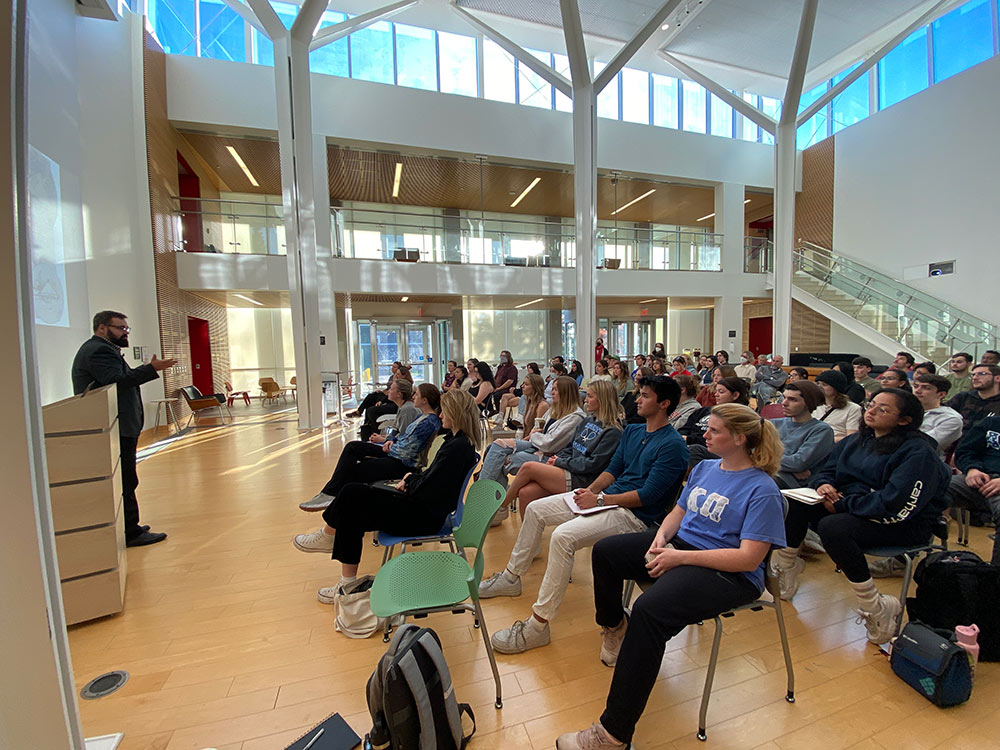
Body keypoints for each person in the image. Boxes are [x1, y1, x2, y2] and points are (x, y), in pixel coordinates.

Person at [555, 404, 785, 750]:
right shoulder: (706, 468)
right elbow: (679, 511)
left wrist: (679, 558)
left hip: (728, 573)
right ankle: (616, 628)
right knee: (606, 552)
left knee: (650, 611)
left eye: (715, 430)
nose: (705, 434)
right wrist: (661, 539)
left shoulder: (762, 489)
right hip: (682, 547)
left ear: (739, 439)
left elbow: (748, 558)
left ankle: (612, 735)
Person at [482, 376, 689, 655]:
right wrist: (588, 494)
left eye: (645, 396)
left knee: (562, 537)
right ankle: (510, 577)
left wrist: (600, 499)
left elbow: (649, 495)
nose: (637, 399)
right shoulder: (634, 431)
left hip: (635, 516)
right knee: (534, 509)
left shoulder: (673, 445)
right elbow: (612, 470)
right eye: (639, 393)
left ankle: (538, 625)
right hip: (607, 500)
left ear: (664, 404)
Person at [771, 389, 951, 644]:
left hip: (903, 522)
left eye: (883, 409)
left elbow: (896, 503)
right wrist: (824, 486)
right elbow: (826, 470)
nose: (872, 411)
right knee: (792, 502)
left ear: (904, 420)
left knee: (833, 527)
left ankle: (876, 607)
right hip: (850, 505)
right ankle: (787, 568)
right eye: (871, 404)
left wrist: (844, 504)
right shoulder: (857, 440)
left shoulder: (918, 453)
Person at [292, 389, 481, 604]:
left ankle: (331, 542)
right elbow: (433, 479)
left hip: (422, 516)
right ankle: (344, 577)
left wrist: (409, 481)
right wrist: (413, 478)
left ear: (456, 413)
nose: (440, 415)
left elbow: (432, 488)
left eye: (445, 412)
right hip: (422, 508)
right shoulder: (457, 443)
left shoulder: (456, 448)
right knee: (352, 502)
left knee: (352, 496)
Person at [71, 310, 175, 547]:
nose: (125, 332)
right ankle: (130, 531)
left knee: (127, 477)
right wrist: (151, 369)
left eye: (126, 329)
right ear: (102, 328)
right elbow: (117, 381)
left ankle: (129, 524)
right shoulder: (98, 350)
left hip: (118, 424)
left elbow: (120, 377)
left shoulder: (106, 350)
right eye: (120, 328)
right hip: (112, 424)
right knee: (126, 478)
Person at [300, 383, 441, 511]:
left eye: (417, 394)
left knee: (352, 470)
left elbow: (408, 450)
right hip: (396, 454)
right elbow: (404, 437)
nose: (414, 396)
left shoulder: (428, 422)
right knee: (352, 448)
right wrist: (391, 440)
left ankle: (331, 497)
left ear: (425, 400)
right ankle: (329, 494)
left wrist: (389, 446)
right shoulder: (422, 417)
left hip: (401, 462)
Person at [501, 380, 625, 515]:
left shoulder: (613, 432)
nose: (585, 400)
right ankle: (526, 535)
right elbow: (570, 447)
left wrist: (560, 462)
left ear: (602, 399)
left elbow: (593, 465)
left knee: (528, 467)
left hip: (583, 479)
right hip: (568, 468)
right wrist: (558, 459)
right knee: (526, 492)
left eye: (590, 396)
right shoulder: (588, 421)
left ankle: (501, 507)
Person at [479, 376, 585, 492]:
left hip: (549, 454)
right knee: (496, 445)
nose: (552, 392)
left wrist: (534, 435)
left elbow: (548, 442)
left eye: (555, 389)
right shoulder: (551, 408)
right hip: (537, 444)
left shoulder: (573, 417)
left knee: (499, 459)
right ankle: (489, 496)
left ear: (565, 392)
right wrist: (534, 435)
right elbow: (536, 429)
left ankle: (487, 496)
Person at [946, 414, 1000, 563]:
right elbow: (965, 451)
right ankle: (902, 559)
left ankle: (994, 578)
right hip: (979, 478)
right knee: (932, 488)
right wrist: (972, 469)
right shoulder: (991, 422)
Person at [771, 381, 834, 489]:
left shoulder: (822, 430)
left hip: (792, 486)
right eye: (784, 397)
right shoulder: (772, 424)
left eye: (792, 399)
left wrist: (761, 459)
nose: (784, 403)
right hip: (769, 475)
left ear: (808, 403)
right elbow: (748, 451)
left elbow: (797, 463)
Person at [679, 376, 750, 468]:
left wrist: (689, 439)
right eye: (716, 391)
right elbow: (684, 429)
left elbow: (724, 441)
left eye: (721, 392)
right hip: (689, 446)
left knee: (695, 450)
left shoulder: (741, 416)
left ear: (735, 395)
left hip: (721, 454)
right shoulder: (704, 411)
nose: (716, 395)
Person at [912, 373, 963, 458]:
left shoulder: (951, 419)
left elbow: (924, 445)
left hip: (925, 460)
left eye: (926, 388)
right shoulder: (902, 409)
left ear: (941, 394)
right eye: (916, 386)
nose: (917, 391)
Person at [946, 363, 1000, 432]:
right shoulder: (963, 397)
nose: (975, 378)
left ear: (997, 378)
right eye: (973, 374)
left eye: (982, 374)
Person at [358, 377, 416, 442]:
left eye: (391, 389)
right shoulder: (403, 407)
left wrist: (382, 440)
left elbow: (403, 438)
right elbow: (397, 432)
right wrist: (383, 437)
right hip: (392, 445)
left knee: (352, 446)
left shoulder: (407, 410)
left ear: (399, 394)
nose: (388, 391)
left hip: (396, 449)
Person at [813, 370, 863, 441]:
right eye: (818, 384)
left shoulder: (853, 409)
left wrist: (822, 440)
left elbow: (851, 437)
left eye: (824, 385)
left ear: (836, 388)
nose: (819, 387)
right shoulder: (813, 405)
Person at [489, 351, 517, 416]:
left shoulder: (512, 368)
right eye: (501, 356)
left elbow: (510, 381)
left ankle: (499, 414)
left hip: (506, 389)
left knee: (496, 396)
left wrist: (499, 388)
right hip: (498, 387)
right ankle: (491, 411)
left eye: (504, 356)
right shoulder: (500, 367)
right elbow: (496, 378)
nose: (502, 357)